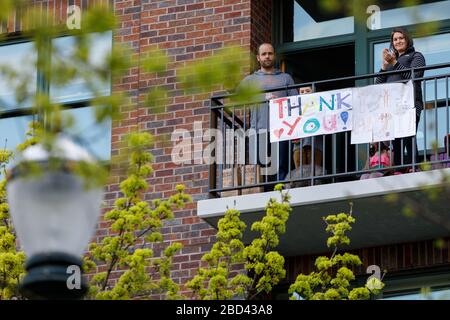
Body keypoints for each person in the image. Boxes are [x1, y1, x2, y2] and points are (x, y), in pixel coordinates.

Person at [239, 43, 298, 185]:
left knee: (281, 167)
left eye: (270, 53)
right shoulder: (250, 80)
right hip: (258, 129)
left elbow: (296, 103)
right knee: (258, 167)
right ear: (258, 58)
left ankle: (280, 197)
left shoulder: (285, 78)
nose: (267, 56)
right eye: (264, 54)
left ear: (274, 56)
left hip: (281, 130)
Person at [375, 27, 426, 172]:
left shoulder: (416, 56)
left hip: (410, 104)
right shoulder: (390, 63)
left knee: (409, 135)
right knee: (396, 141)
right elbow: (378, 86)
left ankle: (413, 167)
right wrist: (384, 67)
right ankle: (398, 169)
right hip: (392, 107)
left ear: (407, 40)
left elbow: (412, 77)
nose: (398, 41)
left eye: (401, 38)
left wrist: (395, 62)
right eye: (395, 39)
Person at [292, 86, 324, 178]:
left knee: (314, 169)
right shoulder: (295, 108)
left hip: (315, 143)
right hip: (298, 144)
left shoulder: (319, 106)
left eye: (307, 91)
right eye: (302, 92)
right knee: (299, 169)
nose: (304, 93)